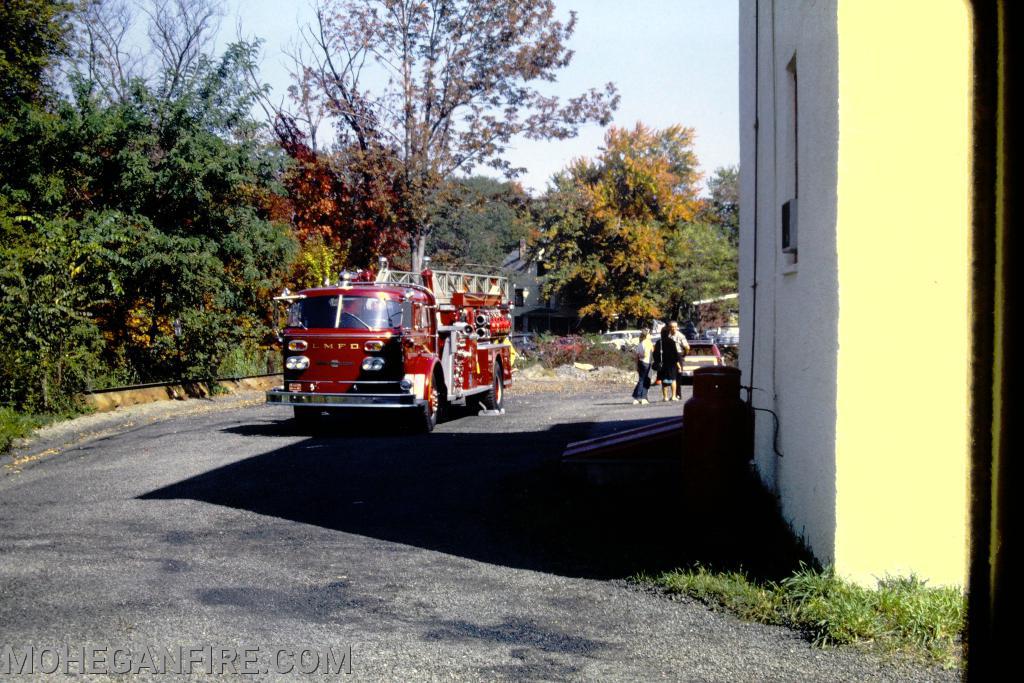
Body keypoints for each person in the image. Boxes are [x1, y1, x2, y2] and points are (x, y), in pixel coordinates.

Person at [654, 321, 689, 401]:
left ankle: (676, 394)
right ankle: (672, 396)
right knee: (673, 378)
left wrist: (683, 355)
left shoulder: (680, 336)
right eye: (671, 327)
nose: (672, 329)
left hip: (673, 357)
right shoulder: (669, 339)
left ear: (677, 327)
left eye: (674, 327)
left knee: (674, 377)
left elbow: (687, 347)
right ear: (669, 328)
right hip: (672, 359)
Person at [631, 330, 654, 405]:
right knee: (646, 380)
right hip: (647, 363)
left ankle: (636, 397)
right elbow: (647, 353)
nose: (650, 335)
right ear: (647, 335)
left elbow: (637, 356)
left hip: (640, 363)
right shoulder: (648, 343)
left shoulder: (640, 343)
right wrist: (644, 355)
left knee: (641, 380)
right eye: (649, 334)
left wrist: (637, 365)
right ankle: (643, 397)